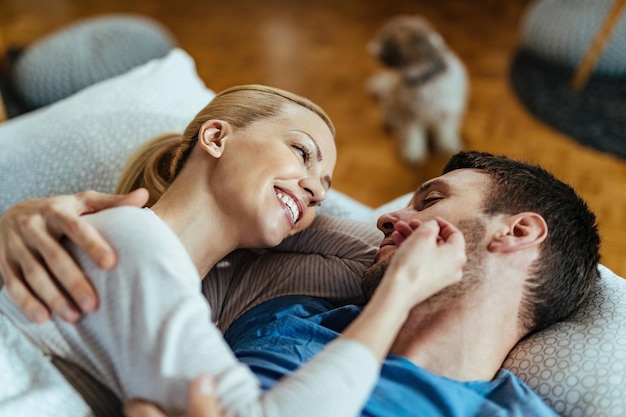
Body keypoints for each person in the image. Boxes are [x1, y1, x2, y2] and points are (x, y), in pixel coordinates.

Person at [0, 84, 468, 417]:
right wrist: (400, 292)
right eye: (302, 153)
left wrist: (294, 206)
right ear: (217, 137)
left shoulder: (204, 291)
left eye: (323, 191)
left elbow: (367, 258)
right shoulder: (132, 240)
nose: (316, 192)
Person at [122, 150, 601, 417]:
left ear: (517, 232)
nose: (387, 218)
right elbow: (211, 219)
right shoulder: (289, 315)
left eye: (430, 201)